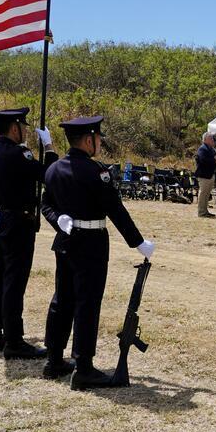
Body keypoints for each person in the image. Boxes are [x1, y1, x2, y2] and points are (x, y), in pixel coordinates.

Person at [40, 116, 155, 389]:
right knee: (87, 303)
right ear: (89, 139)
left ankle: (54, 359)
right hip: (90, 243)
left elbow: (46, 204)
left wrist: (58, 220)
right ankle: (84, 367)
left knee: (62, 300)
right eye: (98, 138)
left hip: (66, 242)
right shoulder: (96, 172)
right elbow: (115, 209)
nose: (100, 143)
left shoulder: (54, 169)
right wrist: (137, 242)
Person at [0, 108, 58, 357]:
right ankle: (13, 341)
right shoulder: (19, 153)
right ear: (14, 128)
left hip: (1, 222)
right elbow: (49, 175)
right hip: (19, 224)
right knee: (14, 282)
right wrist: (50, 148)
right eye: (23, 126)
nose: (25, 130)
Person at [194, 133, 216, 218]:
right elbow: (204, 160)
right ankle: (201, 212)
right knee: (203, 193)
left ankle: (205, 211)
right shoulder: (202, 149)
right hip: (203, 175)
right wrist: (215, 160)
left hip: (210, 174)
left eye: (212, 138)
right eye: (210, 138)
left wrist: (215, 159)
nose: (212, 140)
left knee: (207, 194)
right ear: (205, 140)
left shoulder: (211, 149)